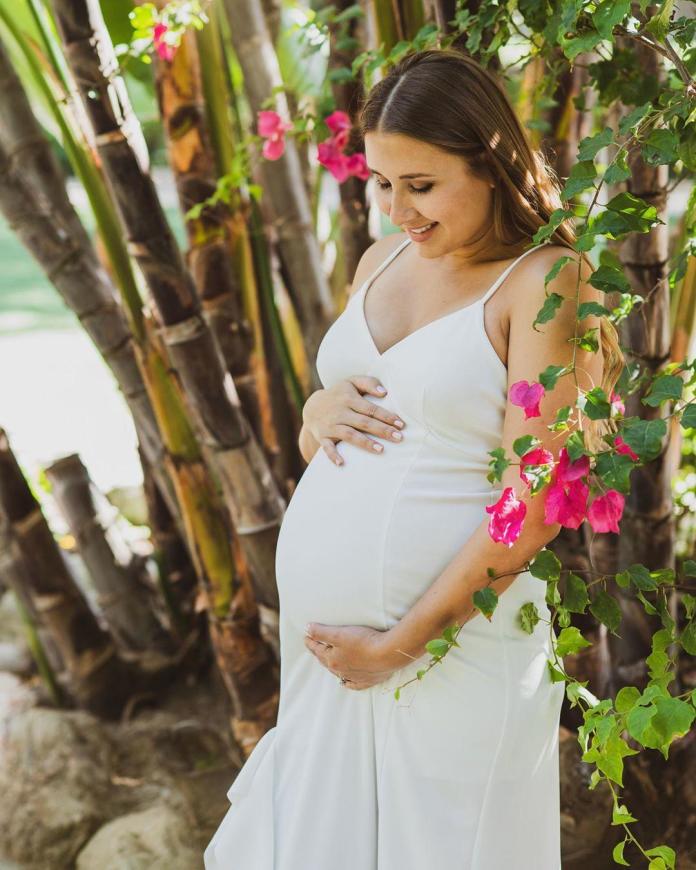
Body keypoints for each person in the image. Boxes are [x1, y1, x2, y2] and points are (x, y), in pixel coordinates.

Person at [204, 47, 622, 869]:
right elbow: (349, 439)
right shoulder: (380, 262)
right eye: (383, 183)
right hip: (331, 661)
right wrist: (316, 414)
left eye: (421, 186)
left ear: (492, 164)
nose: (399, 209)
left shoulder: (546, 281)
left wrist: (403, 642)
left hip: (450, 652)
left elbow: (533, 500)